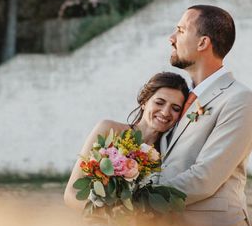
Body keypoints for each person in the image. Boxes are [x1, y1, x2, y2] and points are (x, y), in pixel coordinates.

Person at [157, 4, 252, 226]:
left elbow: (204, 178)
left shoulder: (240, 100)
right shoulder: (180, 100)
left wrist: (138, 196)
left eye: (180, 30)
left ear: (203, 43)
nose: (171, 38)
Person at [64, 72, 189, 211]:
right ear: (144, 102)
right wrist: (106, 217)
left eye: (175, 108)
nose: (166, 112)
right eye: (159, 102)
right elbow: (71, 194)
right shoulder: (108, 129)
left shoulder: (168, 155)